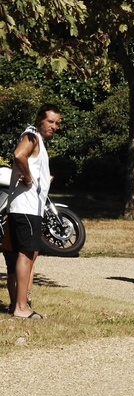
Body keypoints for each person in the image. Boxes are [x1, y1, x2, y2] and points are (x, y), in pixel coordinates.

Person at [6, 104, 61, 319]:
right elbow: (20, 155)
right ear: (40, 119)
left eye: (57, 123)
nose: (54, 126)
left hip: (26, 208)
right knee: (26, 254)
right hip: (26, 208)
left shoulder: (37, 139)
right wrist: (28, 177)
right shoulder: (32, 136)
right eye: (50, 121)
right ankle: (21, 307)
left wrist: (40, 180)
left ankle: (18, 303)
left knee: (26, 254)